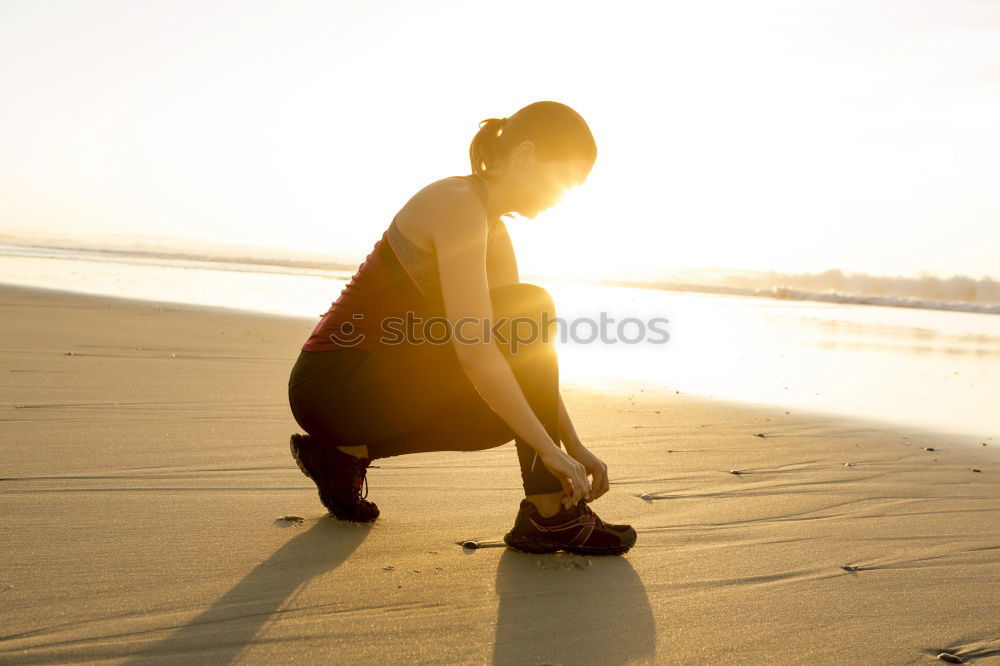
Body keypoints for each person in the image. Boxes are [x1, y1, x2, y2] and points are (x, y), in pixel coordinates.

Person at [287, 100, 636, 555]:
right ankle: (550, 513)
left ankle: (342, 457)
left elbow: (525, 359)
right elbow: (476, 350)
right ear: (526, 155)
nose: (563, 196)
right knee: (529, 316)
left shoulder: (494, 230)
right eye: (564, 179)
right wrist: (551, 449)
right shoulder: (456, 203)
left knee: (508, 417)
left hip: (377, 385)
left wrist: (569, 443)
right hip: (334, 382)